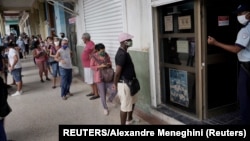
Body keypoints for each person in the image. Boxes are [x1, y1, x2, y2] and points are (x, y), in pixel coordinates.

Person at [207, 4, 250, 124]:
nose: (238, 16)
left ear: (249, 14)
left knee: (244, 97)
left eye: (240, 14)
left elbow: (236, 49)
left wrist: (215, 43)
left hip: (247, 67)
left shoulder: (245, 30)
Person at [112, 32, 138, 125]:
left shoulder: (125, 52)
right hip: (125, 84)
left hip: (131, 83)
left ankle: (129, 119)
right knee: (125, 107)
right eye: (129, 40)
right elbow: (118, 72)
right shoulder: (121, 54)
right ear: (124, 42)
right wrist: (115, 84)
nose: (131, 41)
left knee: (132, 102)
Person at [90, 43, 117, 115]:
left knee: (114, 90)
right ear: (97, 51)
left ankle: (110, 100)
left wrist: (108, 64)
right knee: (102, 94)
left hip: (108, 77)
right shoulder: (93, 57)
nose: (103, 52)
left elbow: (110, 62)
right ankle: (105, 108)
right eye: (102, 51)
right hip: (99, 78)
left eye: (104, 50)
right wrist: (99, 66)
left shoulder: (106, 55)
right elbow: (92, 67)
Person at [81, 33, 99, 100]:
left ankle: (96, 94)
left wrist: (92, 55)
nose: (82, 39)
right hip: (86, 65)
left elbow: (96, 51)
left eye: (82, 38)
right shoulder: (87, 44)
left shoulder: (91, 43)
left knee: (92, 80)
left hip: (89, 65)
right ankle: (93, 92)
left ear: (86, 38)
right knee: (89, 80)